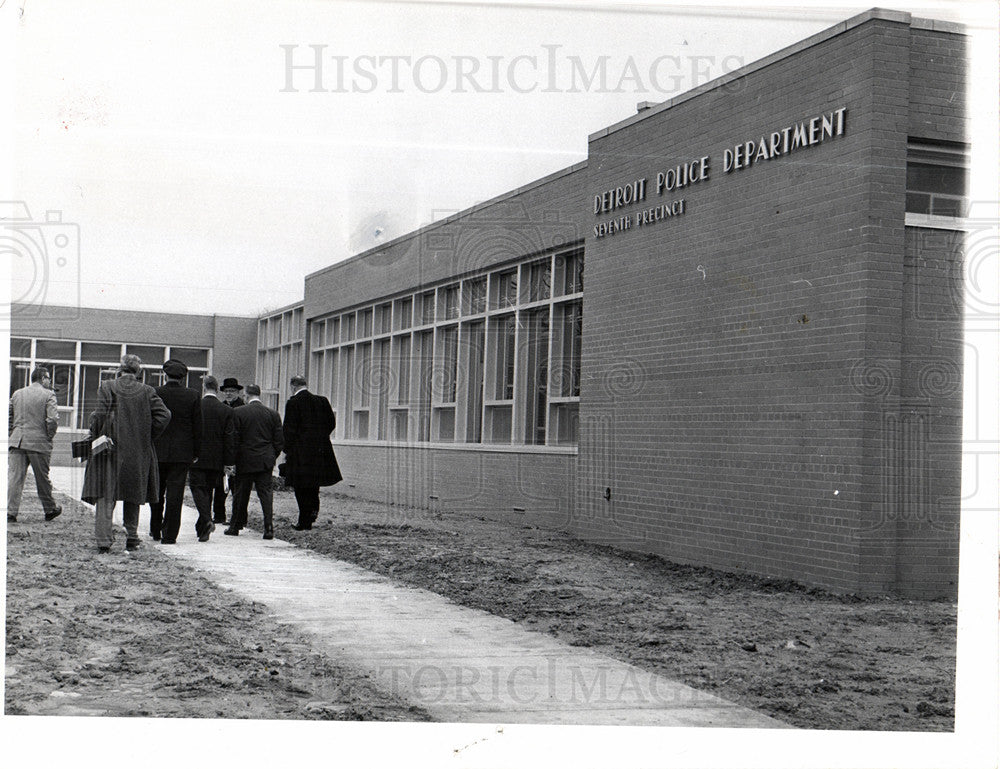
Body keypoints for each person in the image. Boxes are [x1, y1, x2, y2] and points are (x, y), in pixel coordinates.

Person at [81, 354, 171, 553]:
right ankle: (131, 537)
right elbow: (165, 415)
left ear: (119, 369)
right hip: (137, 451)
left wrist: (95, 435)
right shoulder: (147, 390)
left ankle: (104, 540)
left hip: (109, 450)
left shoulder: (107, 387)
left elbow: (99, 416)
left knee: (105, 494)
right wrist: (146, 435)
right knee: (133, 494)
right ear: (138, 372)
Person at [149, 359, 201, 544]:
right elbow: (198, 426)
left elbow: (151, 422)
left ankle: (155, 528)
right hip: (183, 452)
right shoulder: (193, 395)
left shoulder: (155, 392)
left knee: (157, 491)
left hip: (158, 450)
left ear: (165, 374)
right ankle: (170, 534)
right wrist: (196, 452)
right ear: (184, 377)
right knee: (175, 493)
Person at [282, 374, 342, 530]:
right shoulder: (322, 401)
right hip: (320, 451)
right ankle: (313, 510)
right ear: (305, 384)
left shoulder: (293, 403)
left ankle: (304, 521)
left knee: (300, 487)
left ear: (293, 386)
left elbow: (289, 430)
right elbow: (331, 423)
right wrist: (320, 438)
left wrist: (286, 450)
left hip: (300, 452)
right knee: (314, 484)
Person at [226, 384, 283, 540]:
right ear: (259, 395)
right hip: (265, 460)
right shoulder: (272, 414)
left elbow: (234, 439)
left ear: (246, 395)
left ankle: (235, 526)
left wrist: (232, 461)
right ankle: (268, 527)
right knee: (265, 494)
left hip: (245, 459)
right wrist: (272, 456)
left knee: (240, 494)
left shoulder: (238, 412)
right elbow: (279, 441)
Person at [7, 367, 63, 523]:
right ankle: (50, 509)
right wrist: (49, 436)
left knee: (14, 478)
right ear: (43, 378)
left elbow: (8, 417)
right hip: (39, 442)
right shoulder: (49, 394)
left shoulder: (17, 393)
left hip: (17, 441)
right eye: (49, 378)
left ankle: (11, 512)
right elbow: (52, 419)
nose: (50, 381)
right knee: (42, 478)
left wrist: (12, 434)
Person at [188, 375, 236, 542]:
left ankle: (206, 520)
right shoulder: (226, 410)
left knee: (197, 488)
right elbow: (229, 439)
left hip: (197, 457)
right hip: (217, 459)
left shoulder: (196, 406)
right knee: (208, 490)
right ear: (217, 389)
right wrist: (229, 462)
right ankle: (202, 528)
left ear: (204, 388)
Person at [213, 377, 245, 523]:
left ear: (238, 392)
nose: (229, 394)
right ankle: (219, 514)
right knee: (220, 486)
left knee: (237, 488)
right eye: (226, 391)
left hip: (239, 453)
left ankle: (239, 517)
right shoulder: (221, 407)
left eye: (232, 391)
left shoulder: (243, 408)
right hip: (222, 452)